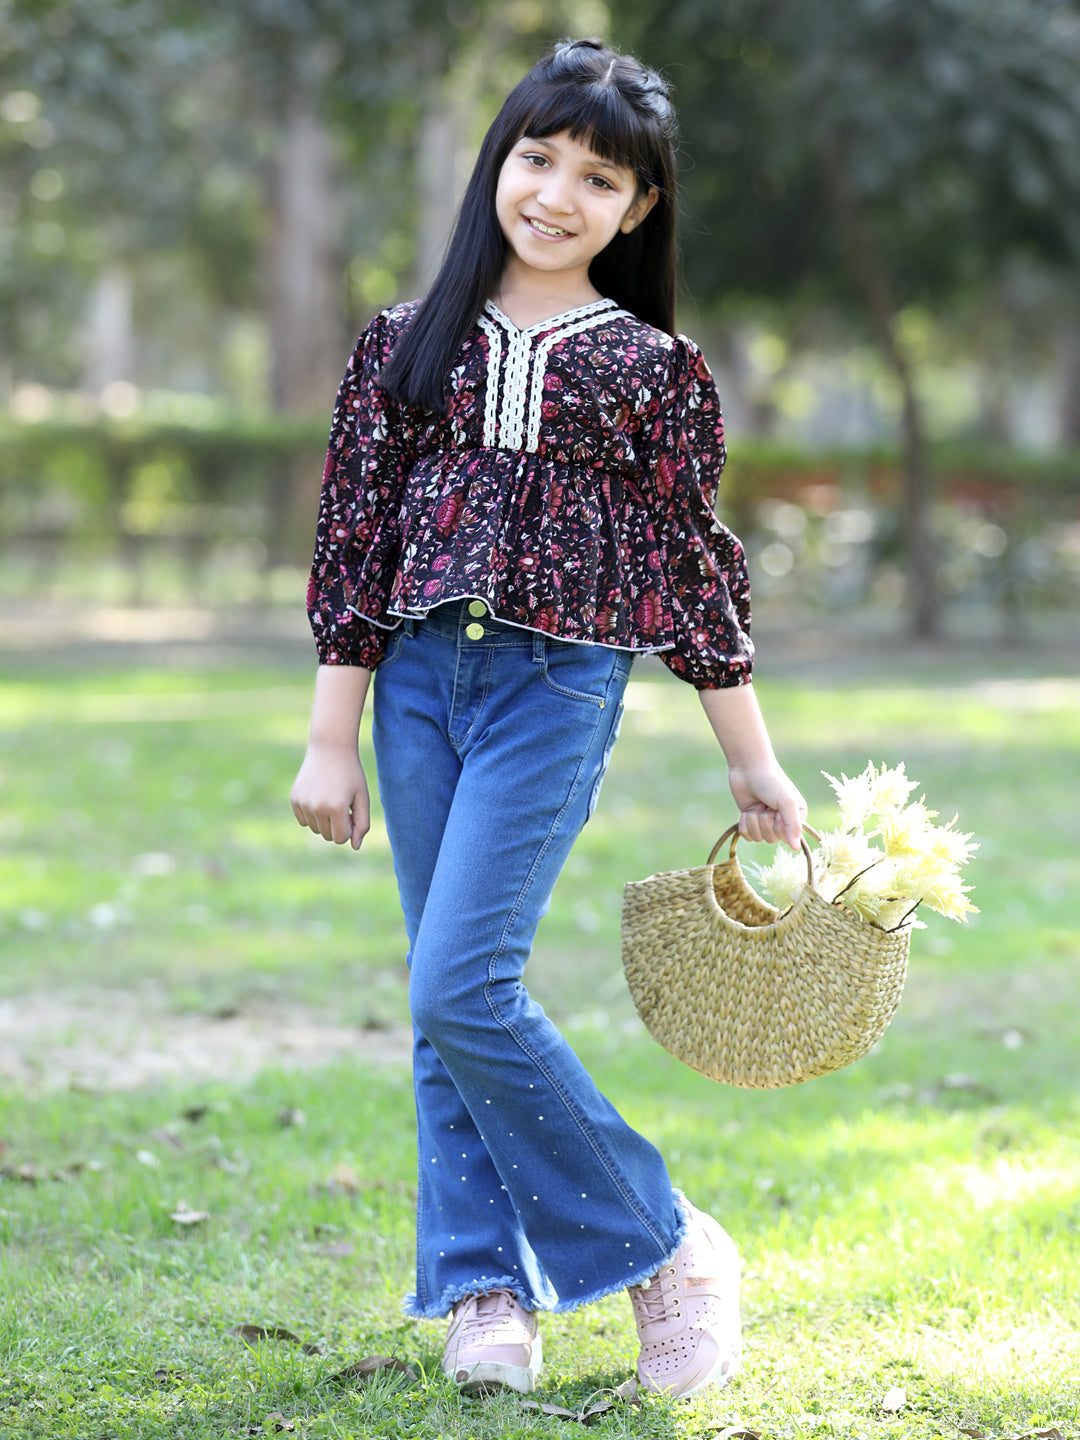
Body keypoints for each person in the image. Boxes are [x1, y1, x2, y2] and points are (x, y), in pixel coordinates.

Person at [290, 37, 806, 1401]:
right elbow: (352, 544)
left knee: (463, 980)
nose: (557, 193)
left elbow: (693, 567)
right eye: (537, 157)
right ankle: (479, 1291)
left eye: (597, 177)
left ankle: (663, 1253)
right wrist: (331, 735)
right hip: (413, 683)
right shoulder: (403, 344)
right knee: (436, 994)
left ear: (635, 211)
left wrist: (753, 764)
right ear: (497, 163)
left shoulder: (653, 370)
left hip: (555, 686)